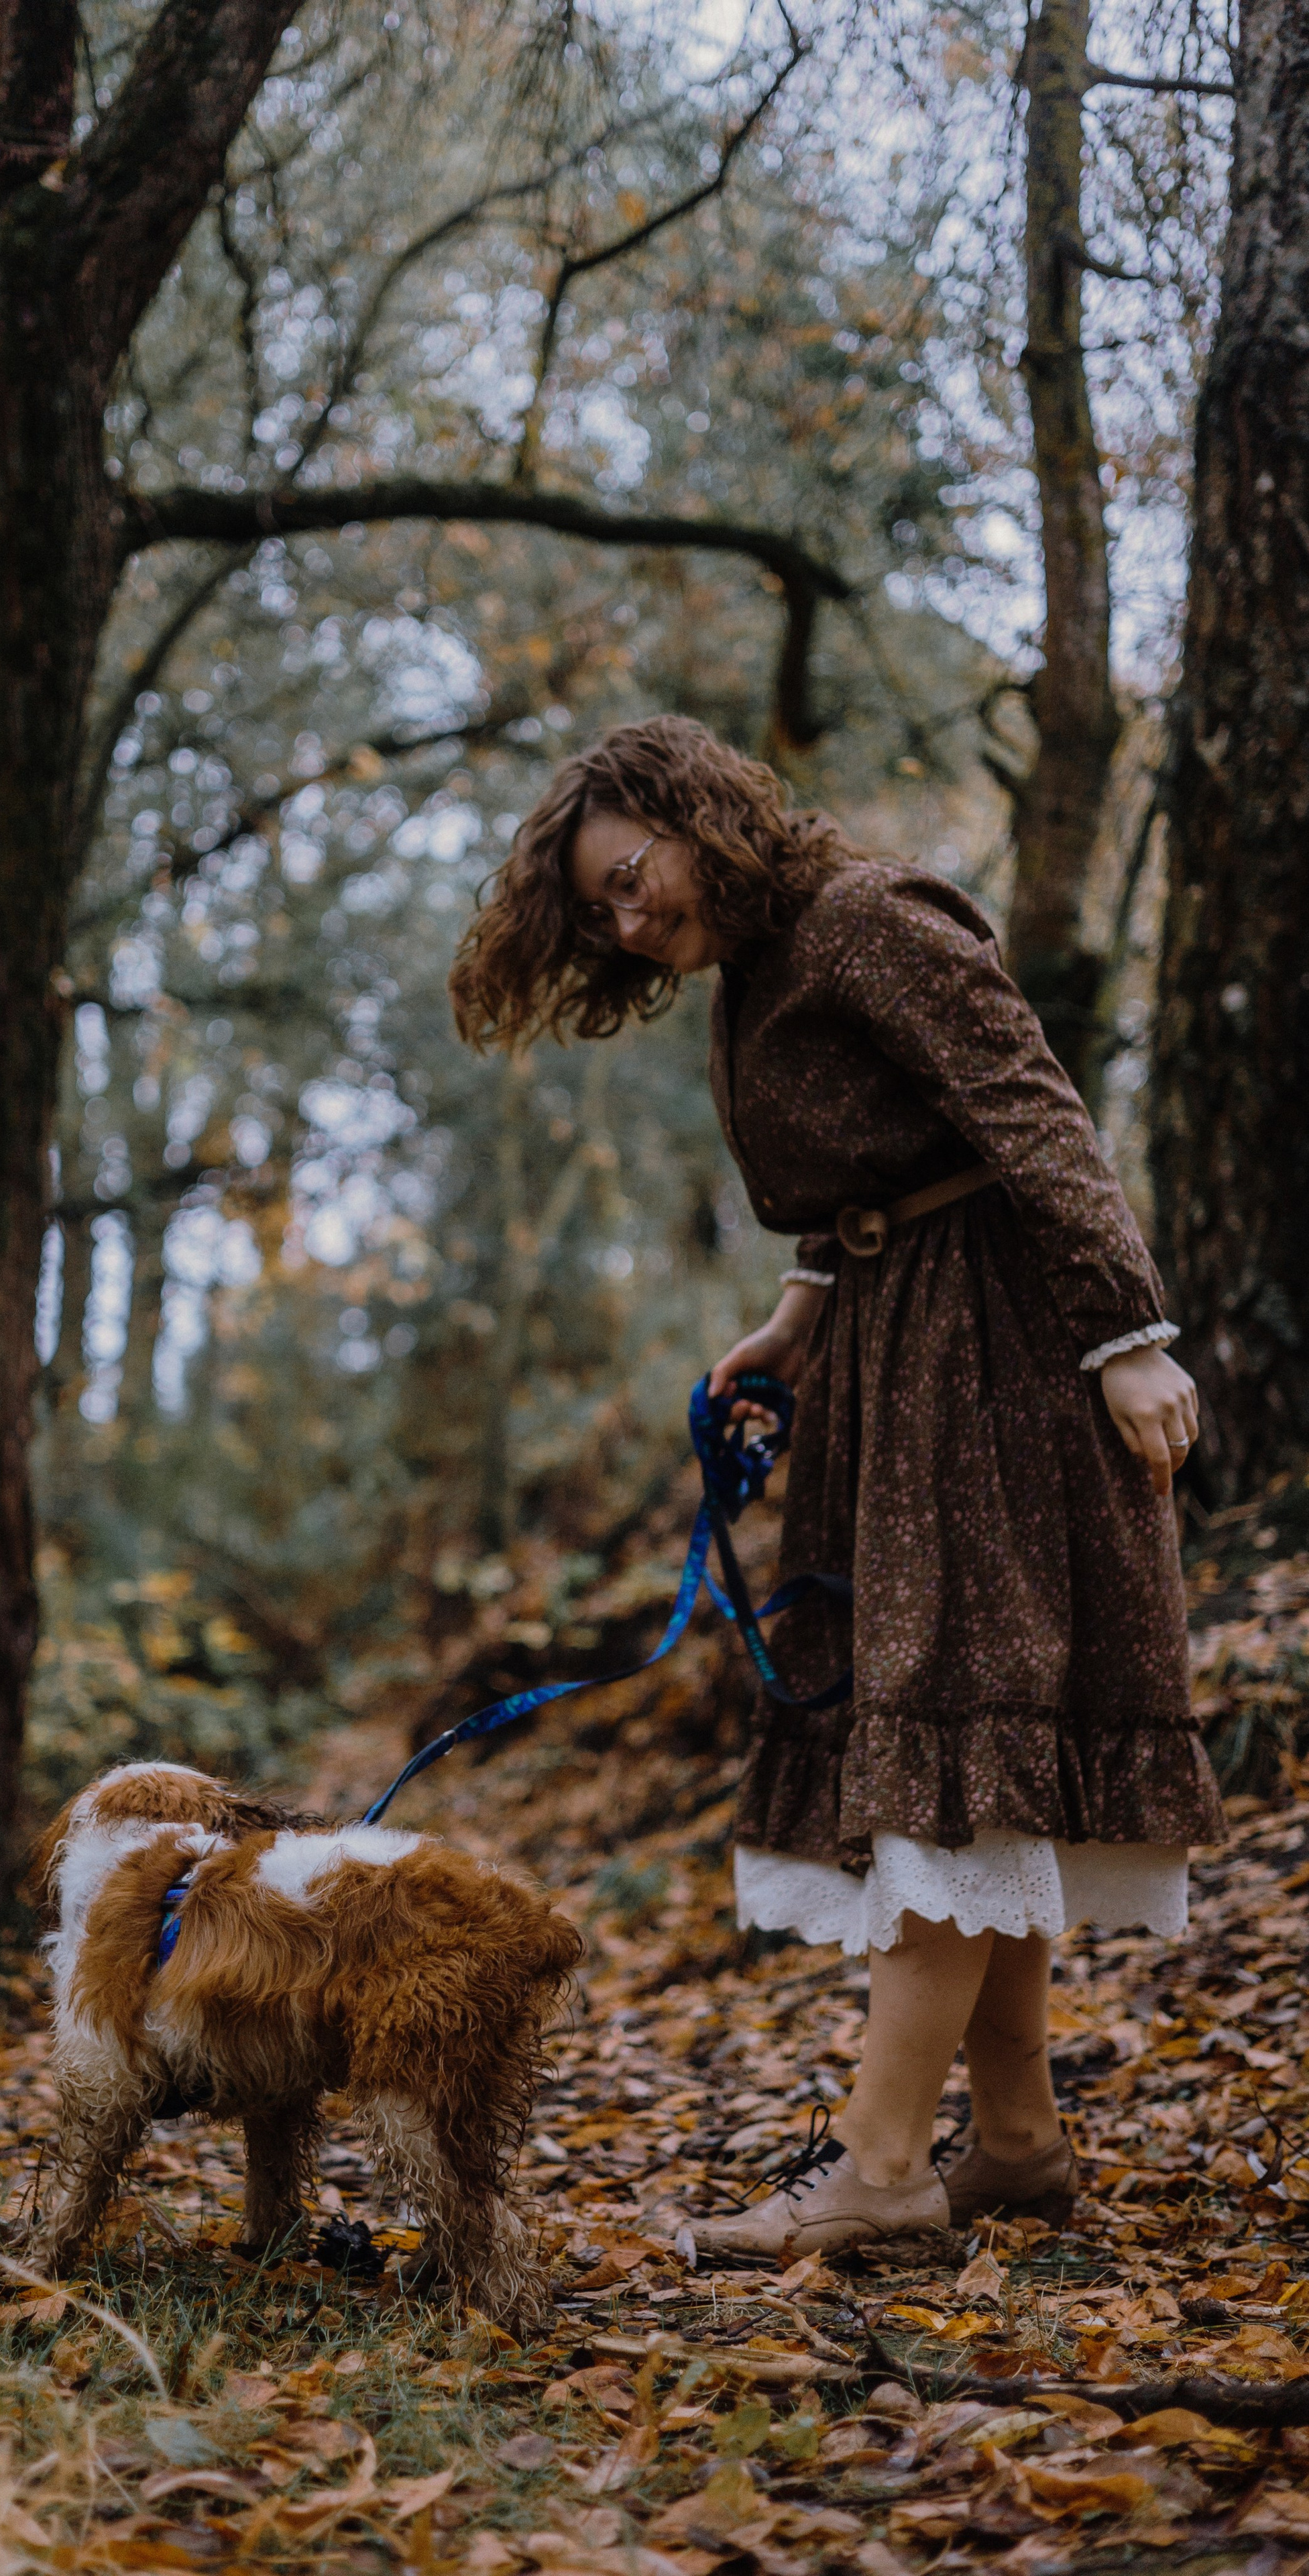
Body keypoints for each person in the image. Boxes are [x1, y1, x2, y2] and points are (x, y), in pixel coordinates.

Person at [448, 714, 1224, 2255]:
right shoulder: (762, 964)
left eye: (628, 878)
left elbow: (1029, 1113)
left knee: (947, 1746)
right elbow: (879, 1161)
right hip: (896, 1354)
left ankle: (879, 2168)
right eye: (597, 910)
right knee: (962, 1750)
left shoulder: (868, 918)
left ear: (693, 813)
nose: (623, 922)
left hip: (995, 1361)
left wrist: (1126, 1337)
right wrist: (801, 1315)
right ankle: (1016, 2141)